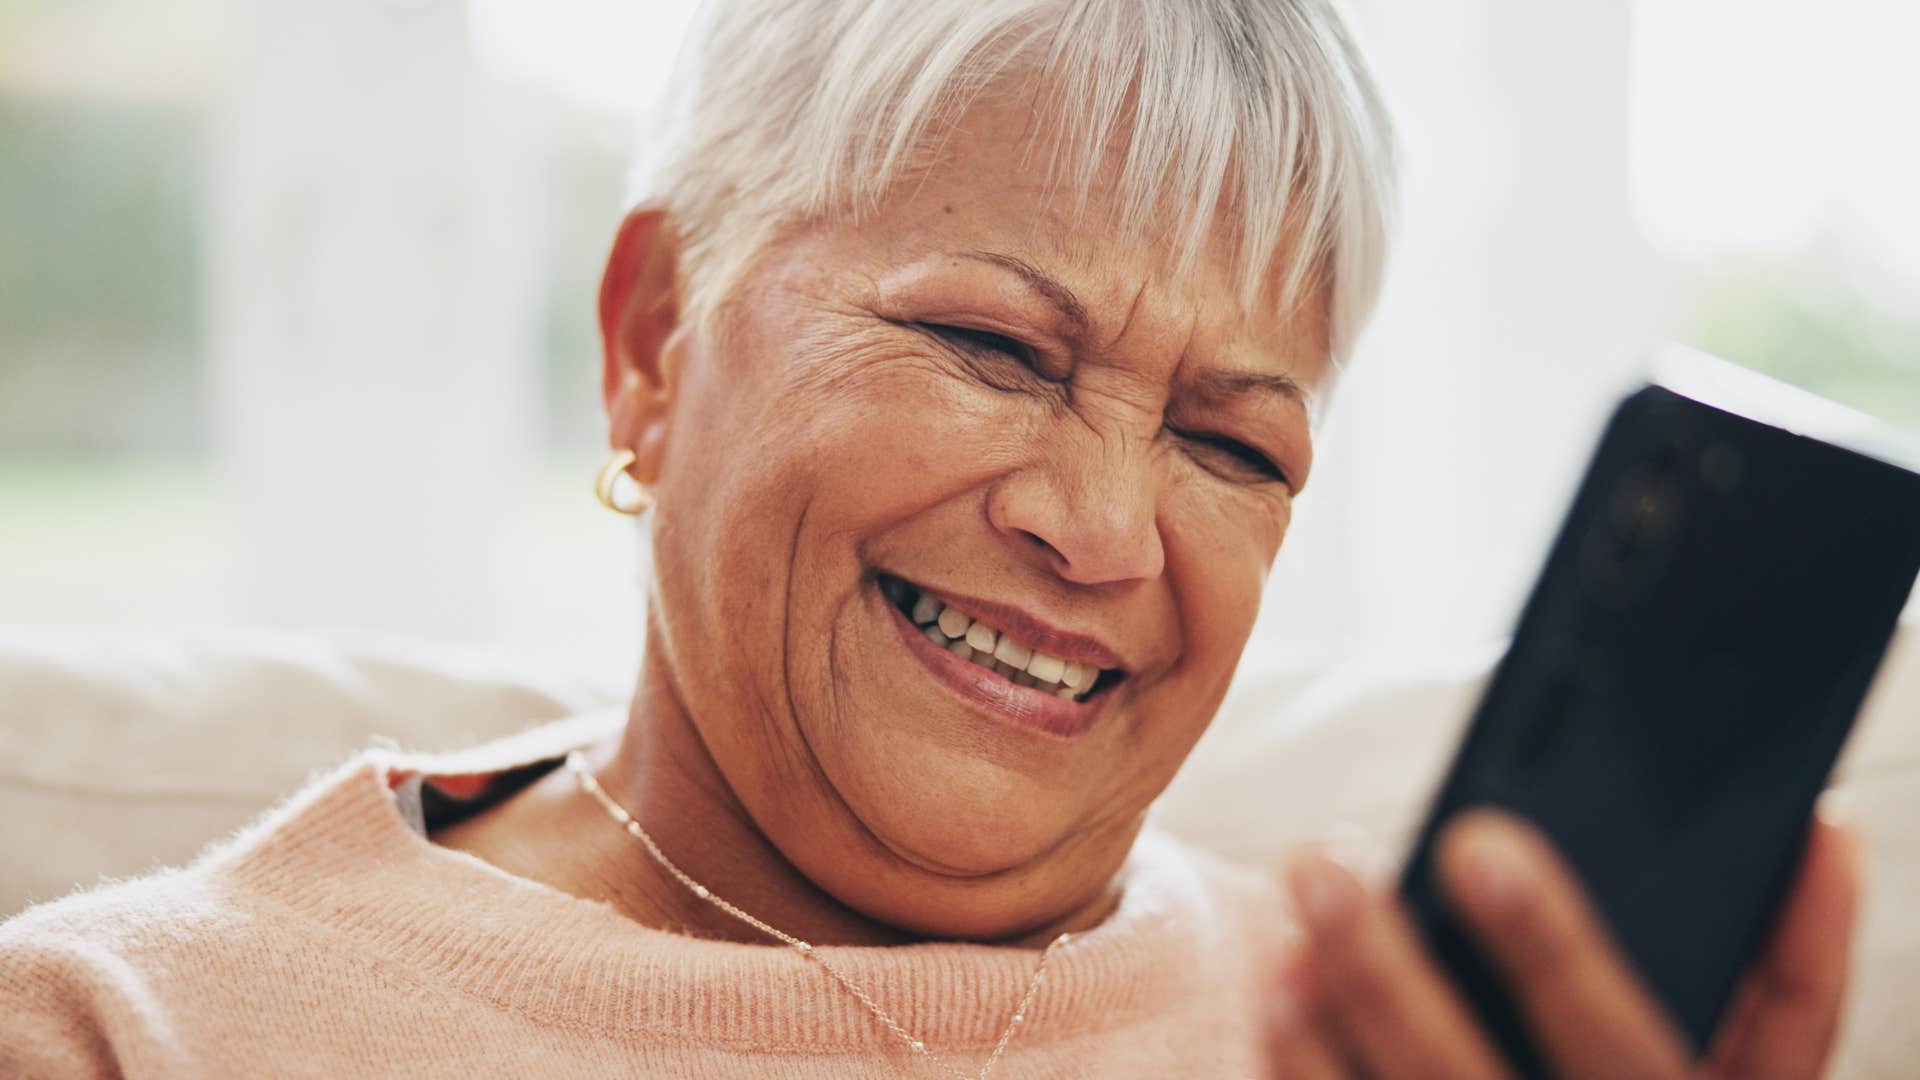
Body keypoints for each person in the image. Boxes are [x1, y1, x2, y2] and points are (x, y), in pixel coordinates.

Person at [0, 1, 1860, 1076]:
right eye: (988, 346)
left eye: (1230, 441)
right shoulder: (124, 1026)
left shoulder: (1372, 1036)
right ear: (656, 341)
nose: (1105, 527)